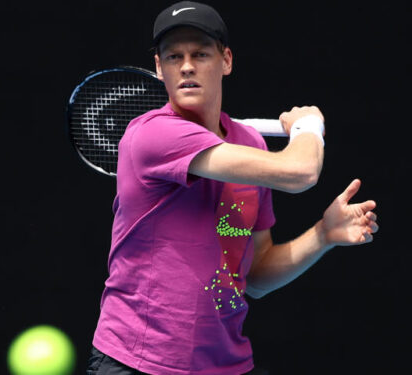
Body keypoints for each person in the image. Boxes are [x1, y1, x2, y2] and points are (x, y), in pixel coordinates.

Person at [87, 2, 379, 374]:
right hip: (138, 363)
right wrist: (308, 126)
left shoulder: (250, 144)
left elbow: (254, 275)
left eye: (200, 53)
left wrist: (322, 234)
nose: (187, 65)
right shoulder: (152, 134)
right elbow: (302, 171)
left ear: (226, 60)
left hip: (227, 364)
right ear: (160, 68)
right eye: (174, 56)